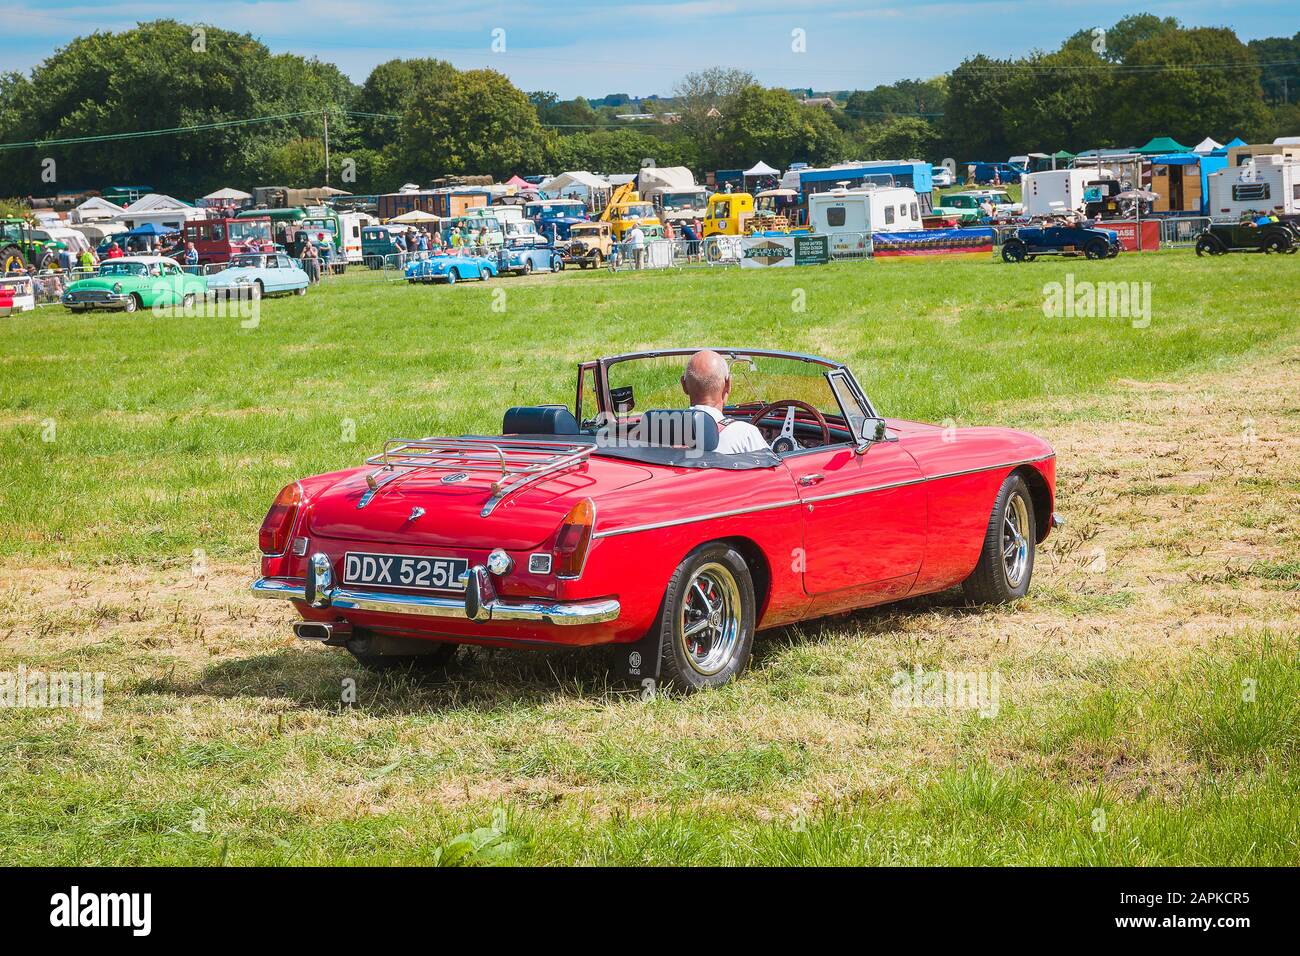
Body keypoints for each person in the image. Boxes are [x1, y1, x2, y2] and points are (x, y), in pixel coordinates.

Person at [680, 350, 769, 455]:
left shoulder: (661, 433)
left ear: (684, 385)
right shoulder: (745, 434)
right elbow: (776, 469)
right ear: (728, 384)